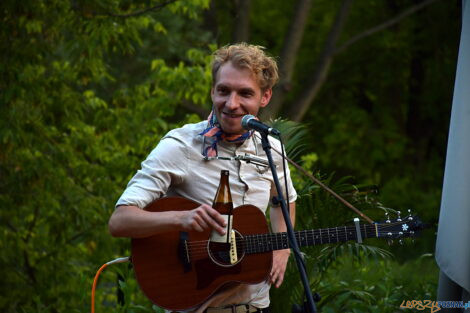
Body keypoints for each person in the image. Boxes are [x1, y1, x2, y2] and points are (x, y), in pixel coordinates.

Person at [108, 43, 297, 313]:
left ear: (265, 97)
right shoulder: (180, 146)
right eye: (223, 91)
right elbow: (119, 221)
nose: (232, 104)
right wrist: (179, 218)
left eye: (245, 93)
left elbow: (284, 200)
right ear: (212, 91)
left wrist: (283, 248)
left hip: (256, 307)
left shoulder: (271, 148)